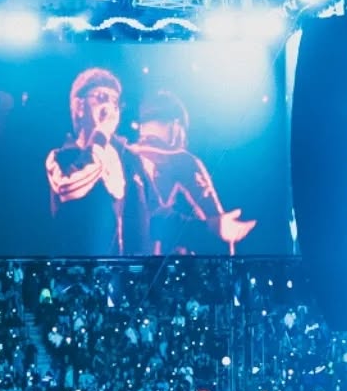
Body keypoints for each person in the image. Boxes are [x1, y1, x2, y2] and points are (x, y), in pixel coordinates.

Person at [131, 90, 256, 254]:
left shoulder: (123, 155)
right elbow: (217, 222)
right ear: (175, 124)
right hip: (166, 263)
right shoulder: (182, 160)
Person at [44, 66, 152, 255]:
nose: (109, 107)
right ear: (79, 107)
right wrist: (100, 135)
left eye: (115, 101)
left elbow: (152, 212)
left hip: (127, 270)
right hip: (79, 268)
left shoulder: (129, 159)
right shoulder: (60, 158)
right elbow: (70, 188)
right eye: (102, 97)